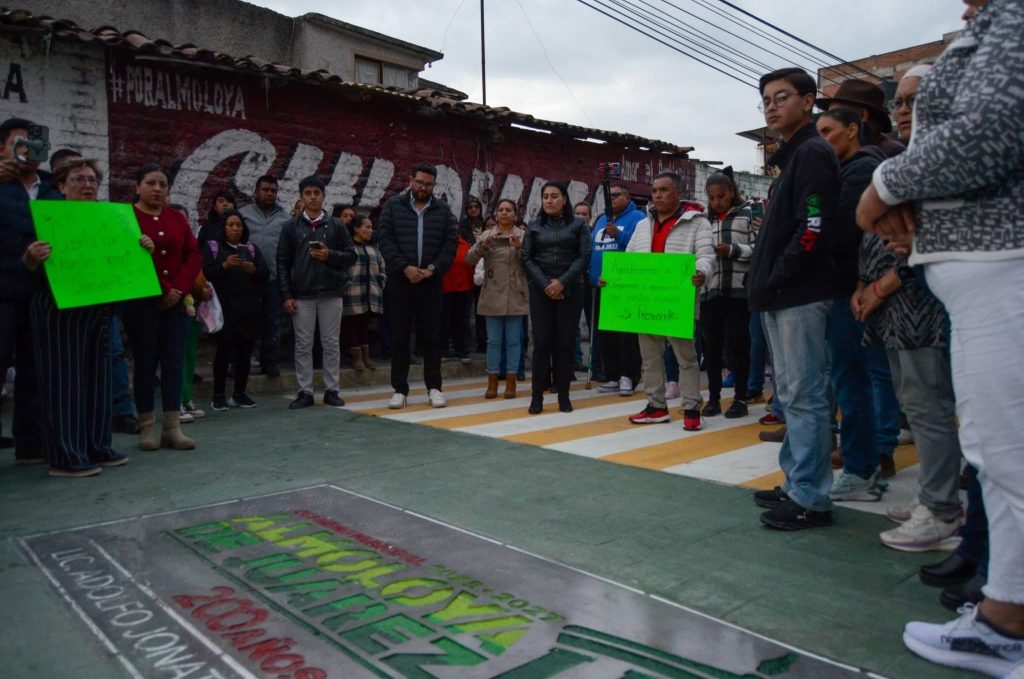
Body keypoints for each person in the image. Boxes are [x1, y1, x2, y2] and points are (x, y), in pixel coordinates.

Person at [856, 1, 1024, 672]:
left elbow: (996, 127)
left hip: (1004, 262)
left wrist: (884, 185)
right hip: (983, 266)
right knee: (999, 456)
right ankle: (1004, 617)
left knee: (1010, 455)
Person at [747, 68, 842, 531]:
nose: (771, 106)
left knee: (805, 394)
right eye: (766, 99)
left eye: (781, 97)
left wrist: (780, 274)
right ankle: (796, 483)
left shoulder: (813, 153)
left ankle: (811, 497)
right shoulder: (793, 157)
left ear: (808, 101)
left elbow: (813, 226)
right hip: (780, 294)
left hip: (799, 293)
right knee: (791, 394)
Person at [22, 159, 140, 476]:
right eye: (78, 179)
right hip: (58, 309)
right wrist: (31, 259)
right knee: (66, 381)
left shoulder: (110, 219)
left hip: (98, 307)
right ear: (61, 186)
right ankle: (66, 455)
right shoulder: (47, 217)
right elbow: (26, 268)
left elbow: (124, 263)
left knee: (99, 379)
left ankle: (97, 444)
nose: (87, 185)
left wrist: (142, 247)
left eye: (92, 180)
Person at [814, 107, 901, 499]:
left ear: (853, 130)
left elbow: (842, 231)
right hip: (858, 285)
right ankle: (869, 462)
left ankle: (863, 467)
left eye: (828, 131)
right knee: (861, 378)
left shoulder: (861, 169)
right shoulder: (853, 169)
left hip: (856, 289)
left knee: (854, 380)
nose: (822, 140)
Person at [121, 163, 202, 451]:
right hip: (143, 303)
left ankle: (172, 427)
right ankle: (146, 427)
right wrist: (163, 290)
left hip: (176, 303)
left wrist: (177, 289)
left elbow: (193, 255)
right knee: (145, 363)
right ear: (137, 186)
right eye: (150, 183)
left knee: (173, 363)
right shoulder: (127, 217)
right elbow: (129, 258)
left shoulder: (176, 218)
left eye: (163, 184)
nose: (157, 189)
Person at [623, 172, 713, 431]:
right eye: (654, 191)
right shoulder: (643, 225)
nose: (657, 195)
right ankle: (656, 406)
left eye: (663, 190)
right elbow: (629, 258)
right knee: (650, 357)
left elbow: (706, 255)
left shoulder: (697, 222)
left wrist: (702, 272)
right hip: (646, 301)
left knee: (686, 357)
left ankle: (692, 408)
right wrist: (615, 279)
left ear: (678, 193)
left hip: (677, 301)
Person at [0, 117, 65, 464]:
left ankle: (31, 444)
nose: (30, 150)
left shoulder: (53, 189)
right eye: (21, 143)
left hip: (41, 296)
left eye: (36, 143)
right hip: (3, 292)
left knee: (35, 369)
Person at [377, 164, 458, 410]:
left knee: (431, 336)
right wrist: (405, 267)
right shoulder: (393, 206)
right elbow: (385, 240)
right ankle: (400, 390)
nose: (423, 187)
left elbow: (450, 244)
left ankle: (434, 388)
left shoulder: (443, 210)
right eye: (420, 182)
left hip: (430, 281)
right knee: (400, 336)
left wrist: (433, 269)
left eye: (428, 184)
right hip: (401, 280)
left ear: (434, 185)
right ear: (411, 180)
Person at [276, 176, 357, 409]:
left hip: (331, 292)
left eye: (317, 193)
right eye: (308, 193)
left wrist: (329, 255)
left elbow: (351, 256)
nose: (312, 197)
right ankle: (305, 392)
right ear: (301, 197)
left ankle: (332, 390)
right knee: (303, 344)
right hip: (301, 293)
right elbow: (282, 262)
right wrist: (286, 295)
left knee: (331, 343)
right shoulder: (291, 226)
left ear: (324, 196)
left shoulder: (336, 225)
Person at [522, 181, 592, 414]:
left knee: (564, 344)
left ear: (564, 199)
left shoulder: (578, 225)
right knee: (541, 343)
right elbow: (526, 258)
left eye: (554, 196)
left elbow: (584, 256)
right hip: (541, 292)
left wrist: (562, 282)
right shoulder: (533, 226)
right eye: (545, 197)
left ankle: (564, 396)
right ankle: (536, 397)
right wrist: (547, 285)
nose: (549, 201)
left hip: (571, 291)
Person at [202, 209, 269, 411]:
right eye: (230, 225)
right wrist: (224, 265)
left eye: (238, 225)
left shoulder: (251, 249)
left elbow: (265, 275)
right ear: (223, 228)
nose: (235, 229)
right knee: (223, 353)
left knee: (245, 353)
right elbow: (206, 273)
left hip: (249, 310)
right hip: (225, 311)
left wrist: (253, 270)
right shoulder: (214, 248)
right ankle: (219, 395)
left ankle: (239, 393)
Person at [701, 169, 755, 419]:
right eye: (712, 198)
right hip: (710, 291)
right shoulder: (704, 221)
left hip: (738, 291)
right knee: (711, 348)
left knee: (738, 346)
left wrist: (733, 250)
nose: (717, 202)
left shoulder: (748, 215)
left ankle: (740, 398)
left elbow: (759, 247)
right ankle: (713, 398)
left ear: (732, 192)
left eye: (721, 196)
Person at [466, 198, 528, 399]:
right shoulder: (486, 234)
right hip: (492, 292)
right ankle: (492, 381)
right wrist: (483, 246)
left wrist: (520, 248)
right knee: (493, 340)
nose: (504, 213)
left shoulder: (523, 236)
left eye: (508, 210)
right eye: (500, 209)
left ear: (515, 214)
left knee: (513, 341)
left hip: (515, 292)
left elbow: (532, 263)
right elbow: (469, 259)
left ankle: (511, 382)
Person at [589, 183, 644, 397]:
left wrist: (618, 235)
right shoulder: (601, 220)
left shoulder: (638, 219)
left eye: (616, 195)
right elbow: (593, 249)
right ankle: (611, 375)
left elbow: (641, 248)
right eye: (608, 195)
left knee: (626, 335)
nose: (611, 198)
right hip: (603, 286)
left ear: (627, 197)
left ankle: (628, 376)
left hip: (626, 287)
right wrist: (592, 276)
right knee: (606, 334)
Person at [239, 175, 291, 379]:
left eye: (273, 190)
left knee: (273, 323)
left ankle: (269, 361)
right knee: (245, 322)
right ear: (256, 192)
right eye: (265, 190)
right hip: (247, 279)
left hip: (274, 279)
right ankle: (239, 363)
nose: (269, 193)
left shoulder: (285, 218)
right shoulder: (243, 215)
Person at [815, 79, 905, 159]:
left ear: (862, 115)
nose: (830, 120)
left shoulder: (891, 154)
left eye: (836, 114)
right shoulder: (838, 156)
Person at [341, 215, 386, 372]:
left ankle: (366, 356)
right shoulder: (348, 249)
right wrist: (346, 286)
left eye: (371, 227)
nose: (371, 230)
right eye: (367, 227)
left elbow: (382, 268)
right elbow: (342, 269)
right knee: (352, 326)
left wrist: (380, 284)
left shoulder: (374, 249)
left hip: (370, 295)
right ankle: (356, 358)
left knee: (364, 326)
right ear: (356, 229)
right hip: (352, 294)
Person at [440, 218, 475, 362]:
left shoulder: (465, 245)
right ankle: (443, 351)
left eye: (454, 226)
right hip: (444, 289)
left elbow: (471, 265)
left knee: (461, 321)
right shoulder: (439, 244)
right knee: (444, 321)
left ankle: (461, 351)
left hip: (463, 289)